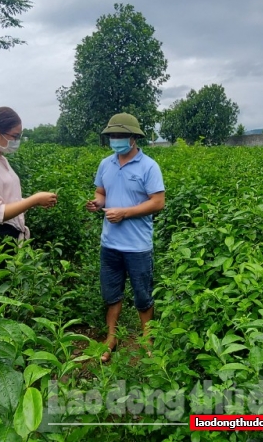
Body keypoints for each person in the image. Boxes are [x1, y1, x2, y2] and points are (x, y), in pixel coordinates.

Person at [85, 113, 165, 363]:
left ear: (133, 138)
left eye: (120, 135)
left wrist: (125, 213)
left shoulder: (149, 166)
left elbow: (158, 202)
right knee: (112, 294)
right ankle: (111, 337)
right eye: (112, 136)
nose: (115, 140)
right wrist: (97, 203)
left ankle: (147, 340)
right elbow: (101, 192)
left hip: (137, 245)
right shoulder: (105, 164)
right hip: (110, 244)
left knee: (142, 295)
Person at [0, 107, 57, 246]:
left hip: (9, 238)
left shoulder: (1, 160)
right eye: (14, 136)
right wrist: (34, 199)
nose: (17, 140)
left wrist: (36, 202)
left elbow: (8, 200)